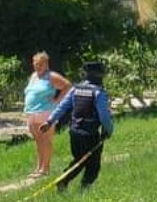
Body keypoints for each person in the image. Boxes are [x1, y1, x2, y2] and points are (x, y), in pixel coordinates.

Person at [40, 61, 114, 191]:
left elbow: (62, 106)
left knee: (79, 161)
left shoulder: (76, 89)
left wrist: (49, 121)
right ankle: (81, 190)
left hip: (74, 132)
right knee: (93, 165)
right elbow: (104, 116)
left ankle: (63, 181)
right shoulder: (98, 93)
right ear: (98, 76)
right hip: (89, 134)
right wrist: (108, 130)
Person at [24, 51, 71, 178]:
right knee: (38, 141)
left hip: (46, 112)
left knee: (46, 140)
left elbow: (67, 85)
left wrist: (57, 99)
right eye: (35, 63)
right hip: (31, 112)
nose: (37, 66)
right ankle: (38, 167)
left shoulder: (51, 76)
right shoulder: (34, 76)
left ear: (46, 64)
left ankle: (45, 169)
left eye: (40, 64)